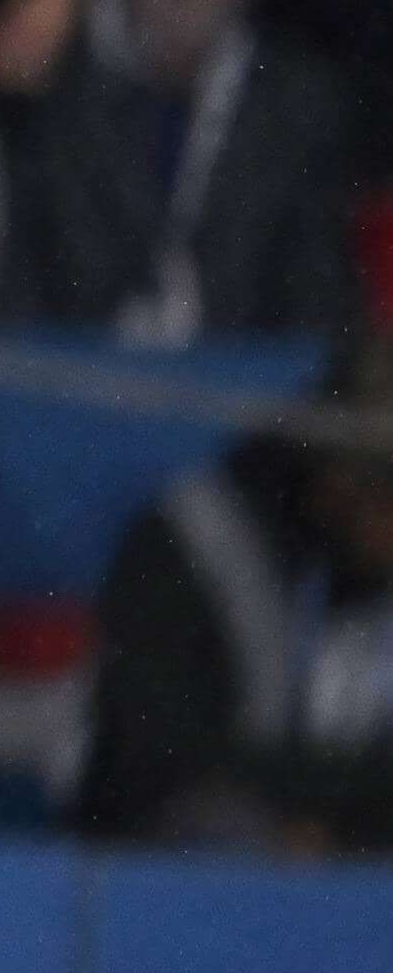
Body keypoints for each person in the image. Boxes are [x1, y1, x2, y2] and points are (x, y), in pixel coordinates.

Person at [0, 0, 360, 344]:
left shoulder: (297, 104)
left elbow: (317, 303)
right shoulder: (46, 72)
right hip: (62, 390)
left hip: (236, 403)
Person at [74, 326, 393, 851]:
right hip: (188, 892)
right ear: (343, 488)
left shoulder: (365, 567)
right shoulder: (191, 548)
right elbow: (159, 765)